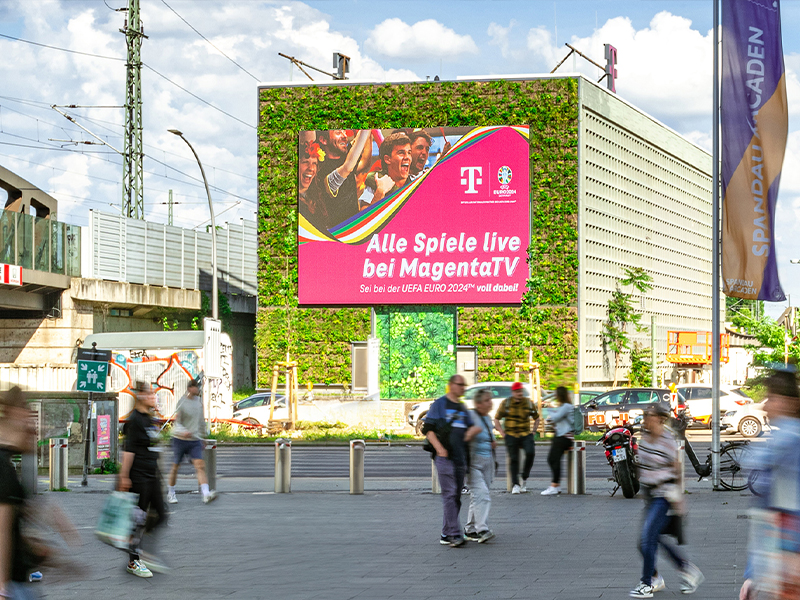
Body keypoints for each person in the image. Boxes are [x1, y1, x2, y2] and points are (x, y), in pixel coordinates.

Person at [0, 387, 78, 599]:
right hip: (12, 586)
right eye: (30, 425)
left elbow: (15, 520)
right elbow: (2, 531)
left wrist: (38, 549)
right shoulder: (3, 469)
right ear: (16, 415)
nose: (35, 432)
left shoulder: (7, 464)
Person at [630, 404, 703, 598]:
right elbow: (642, 467)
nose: (646, 419)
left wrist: (679, 499)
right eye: (645, 415)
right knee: (647, 540)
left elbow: (676, 469)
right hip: (650, 495)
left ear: (660, 419)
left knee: (648, 538)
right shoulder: (644, 439)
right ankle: (682, 570)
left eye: (650, 416)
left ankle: (646, 583)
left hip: (664, 495)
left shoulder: (668, 440)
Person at [739, 369, 800, 600]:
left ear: (789, 403)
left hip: (788, 557)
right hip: (782, 556)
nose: (765, 406)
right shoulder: (782, 439)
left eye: (771, 398)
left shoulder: (790, 441)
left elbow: (788, 508)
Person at [422, 374, 482, 547]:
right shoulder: (439, 405)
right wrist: (440, 449)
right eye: (460, 384)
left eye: (464, 385)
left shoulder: (463, 408)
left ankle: (446, 533)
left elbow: (470, 429)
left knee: (455, 497)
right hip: (445, 458)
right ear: (451, 385)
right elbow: (428, 429)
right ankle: (455, 534)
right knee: (449, 494)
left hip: (459, 458)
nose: (463, 387)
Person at [119, 381, 168, 578]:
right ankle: (133, 560)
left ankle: (141, 549)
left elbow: (154, 445)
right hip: (138, 477)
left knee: (162, 514)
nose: (154, 397)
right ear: (140, 395)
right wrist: (124, 477)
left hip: (152, 475)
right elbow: (128, 451)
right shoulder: (135, 421)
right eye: (151, 394)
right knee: (138, 521)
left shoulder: (149, 419)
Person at [309, 129, 372, 229]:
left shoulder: (345, 156)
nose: (344, 136)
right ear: (323, 140)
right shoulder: (321, 169)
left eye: (345, 132)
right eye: (338, 132)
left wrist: (368, 132)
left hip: (355, 227)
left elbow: (363, 156)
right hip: (336, 232)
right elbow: (347, 167)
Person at [167, 378, 216, 505]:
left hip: (195, 440)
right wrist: (183, 431)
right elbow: (177, 422)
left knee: (200, 466)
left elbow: (200, 421)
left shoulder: (199, 402)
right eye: (196, 387)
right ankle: (171, 493)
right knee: (175, 467)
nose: (198, 389)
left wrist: (203, 437)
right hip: (180, 439)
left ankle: (206, 494)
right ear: (190, 389)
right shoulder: (182, 402)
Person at [464, 389, 497, 543]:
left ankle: (470, 529)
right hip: (472, 462)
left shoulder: (487, 418)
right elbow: (462, 436)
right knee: (482, 494)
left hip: (487, 460)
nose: (490, 402)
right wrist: (470, 434)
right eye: (486, 400)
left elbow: (489, 435)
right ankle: (482, 529)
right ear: (478, 403)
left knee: (477, 496)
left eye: (490, 399)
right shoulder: (471, 416)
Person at [493, 382, 538, 494]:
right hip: (511, 434)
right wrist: (502, 433)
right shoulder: (506, 403)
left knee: (530, 453)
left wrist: (534, 431)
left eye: (520, 391)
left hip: (525, 434)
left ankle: (524, 476)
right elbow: (496, 419)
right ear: (513, 392)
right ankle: (515, 484)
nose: (519, 393)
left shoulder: (528, 403)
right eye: (517, 391)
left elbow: (536, 418)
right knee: (514, 459)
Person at [358, 132, 412, 208]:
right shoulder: (375, 181)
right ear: (387, 159)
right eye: (401, 153)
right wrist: (380, 192)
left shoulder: (417, 181)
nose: (407, 157)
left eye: (409, 153)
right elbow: (364, 217)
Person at [542, 386, 575, 495]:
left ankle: (554, 485)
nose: (554, 395)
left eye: (556, 393)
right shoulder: (565, 406)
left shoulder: (566, 406)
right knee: (553, 459)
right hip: (561, 436)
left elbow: (556, 417)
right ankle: (556, 485)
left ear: (560, 395)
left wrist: (550, 408)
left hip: (564, 437)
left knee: (553, 459)